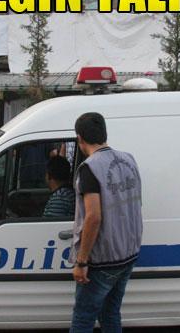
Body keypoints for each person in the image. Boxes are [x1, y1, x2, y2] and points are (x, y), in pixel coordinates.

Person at [70, 112, 142, 333]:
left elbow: (93, 217)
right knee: (110, 314)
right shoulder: (128, 159)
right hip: (128, 254)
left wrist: (81, 261)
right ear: (104, 133)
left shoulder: (90, 168)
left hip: (103, 260)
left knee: (83, 318)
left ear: (80, 138)